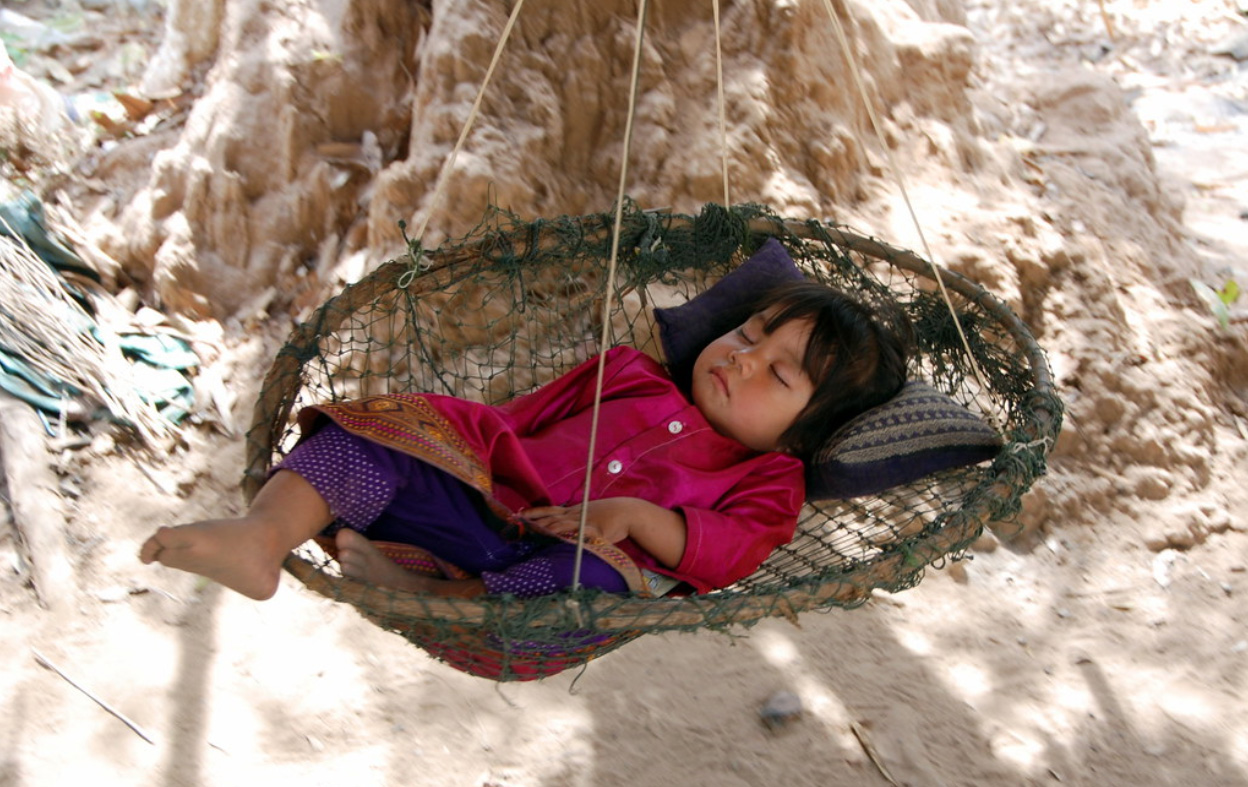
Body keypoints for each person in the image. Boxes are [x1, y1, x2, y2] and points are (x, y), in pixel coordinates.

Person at [140, 280, 910, 601]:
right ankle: (262, 534)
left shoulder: (771, 478)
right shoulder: (632, 371)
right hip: (477, 501)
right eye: (746, 333)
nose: (741, 357)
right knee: (371, 437)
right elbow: (511, 421)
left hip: (549, 576)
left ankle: (439, 599)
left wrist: (635, 519)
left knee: (598, 584)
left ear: (804, 430)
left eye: (776, 373)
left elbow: (731, 552)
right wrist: (427, 434)